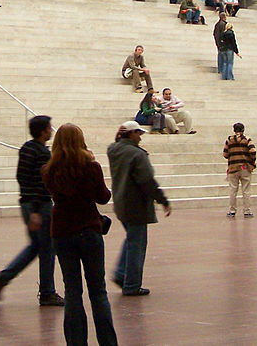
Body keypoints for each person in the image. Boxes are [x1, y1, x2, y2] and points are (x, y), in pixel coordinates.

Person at [41, 124, 118, 346]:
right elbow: (103, 197)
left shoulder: (48, 170)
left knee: (72, 291)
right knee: (98, 291)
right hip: (88, 229)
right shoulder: (90, 167)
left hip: (62, 232)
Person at [0, 115, 64, 307]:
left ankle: (3, 278)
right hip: (39, 205)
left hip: (30, 203)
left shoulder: (28, 149)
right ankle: (47, 292)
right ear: (42, 131)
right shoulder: (40, 153)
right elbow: (39, 182)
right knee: (46, 248)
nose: (51, 130)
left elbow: (22, 177)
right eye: (48, 127)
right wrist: (36, 210)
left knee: (38, 247)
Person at [107, 121, 171, 296]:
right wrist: (162, 200)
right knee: (137, 245)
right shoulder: (137, 154)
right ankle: (132, 284)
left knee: (131, 240)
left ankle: (122, 274)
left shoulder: (114, 150)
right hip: (136, 205)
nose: (140, 137)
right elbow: (147, 181)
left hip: (121, 203)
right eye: (137, 133)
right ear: (130, 134)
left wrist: (118, 136)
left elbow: (114, 143)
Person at [224, 122, 256, 218]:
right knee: (246, 190)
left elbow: (225, 154)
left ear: (234, 130)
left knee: (233, 190)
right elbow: (253, 151)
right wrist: (251, 162)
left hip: (233, 168)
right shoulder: (246, 140)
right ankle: (247, 211)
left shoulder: (229, 140)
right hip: (244, 167)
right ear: (243, 130)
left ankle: (232, 210)